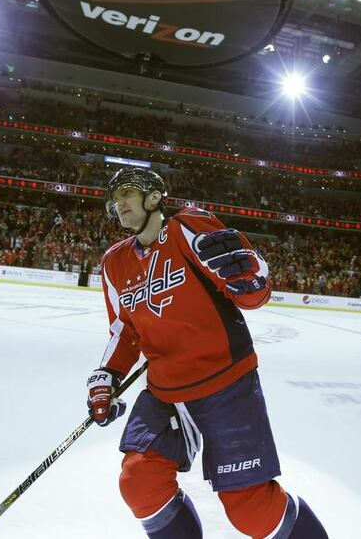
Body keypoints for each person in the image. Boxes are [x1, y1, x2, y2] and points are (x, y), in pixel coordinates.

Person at [86, 168, 328, 539]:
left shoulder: (187, 226)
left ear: (154, 197)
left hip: (225, 382)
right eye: (114, 198)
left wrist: (250, 277)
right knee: (139, 481)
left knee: (251, 510)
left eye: (127, 193)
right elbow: (124, 330)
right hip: (166, 391)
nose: (118, 203)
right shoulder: (114, 263)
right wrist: (107, 375)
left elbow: (251, 293)